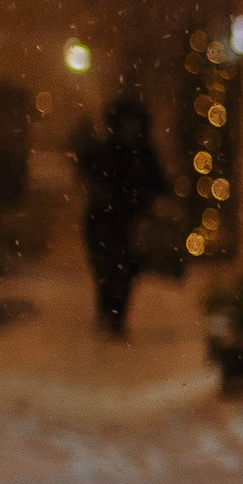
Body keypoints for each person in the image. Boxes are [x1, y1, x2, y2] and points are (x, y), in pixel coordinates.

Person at [72, 90, 170, 340]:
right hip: (103, 222)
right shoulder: (107, 150)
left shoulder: (144, 155)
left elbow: (159, 183)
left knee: (124, 272)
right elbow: (87, 170)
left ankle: (116, 316)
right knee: (105, 270)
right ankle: (107, 311)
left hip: (130, 224)